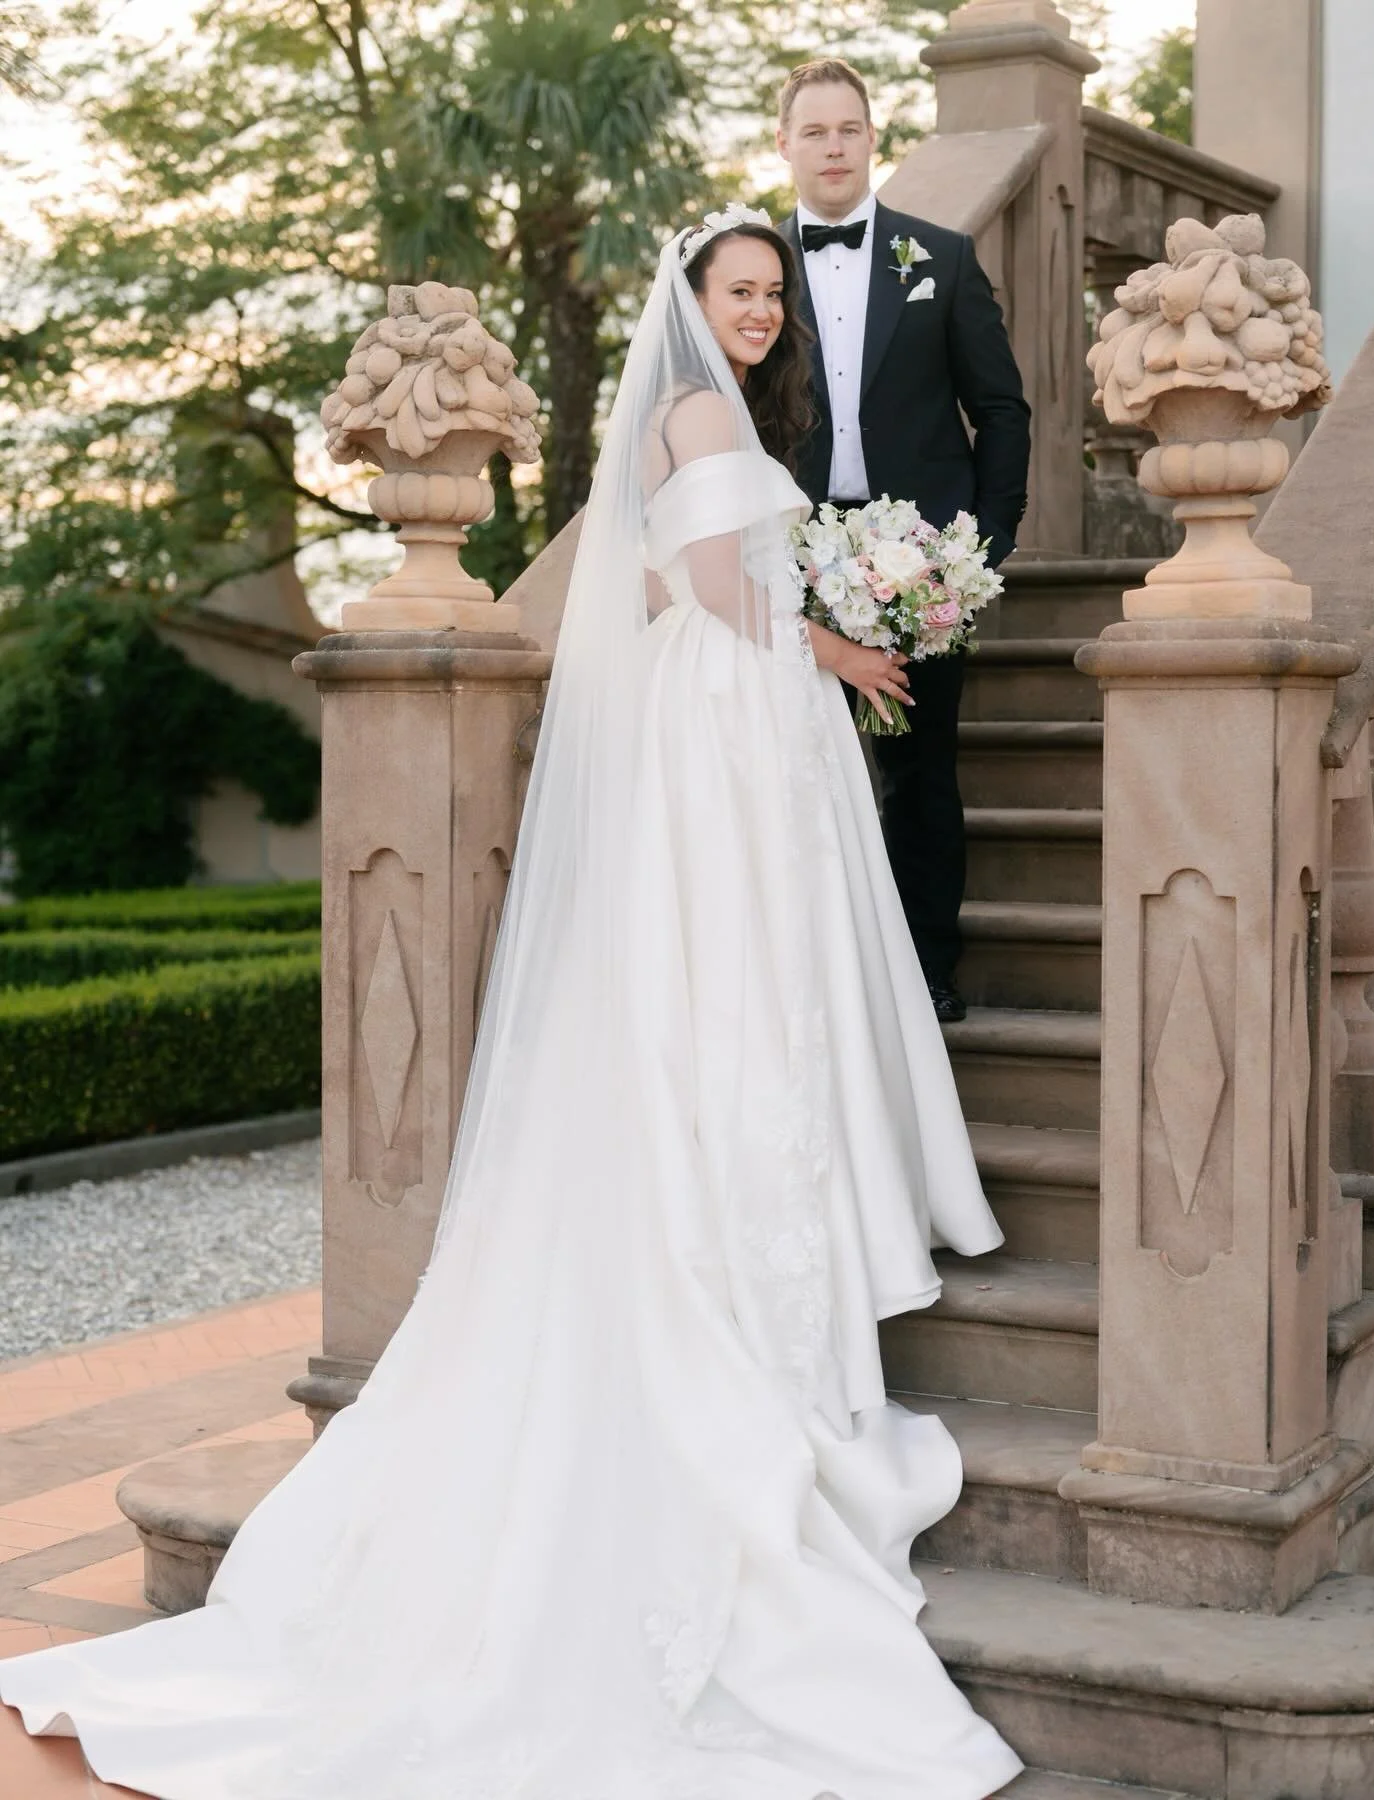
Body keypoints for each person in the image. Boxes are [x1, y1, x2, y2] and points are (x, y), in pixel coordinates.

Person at [0, 209, 1023, 1800]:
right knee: (730, 1001)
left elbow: (724, 580)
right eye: (737, 292)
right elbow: (705, 592)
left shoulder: (731, 415)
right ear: (690, 302)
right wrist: (836, 637)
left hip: (757, 727)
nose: (758, 314)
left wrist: (832, 620)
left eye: (769, 297)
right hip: (735, 729)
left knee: (754, 1009)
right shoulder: (698, 413)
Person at [776, 58, 1032, 1023]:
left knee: (921, 769)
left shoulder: (942, 258)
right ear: (785, 145)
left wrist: (987, 542)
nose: (833, 147)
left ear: (872, 139)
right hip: (791, 562)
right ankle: (817, 975)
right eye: (815, 131)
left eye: (849, 129)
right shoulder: (753, 268)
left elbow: (1001, 408)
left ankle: (926, 970)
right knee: (803, 768)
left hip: (921, 564)